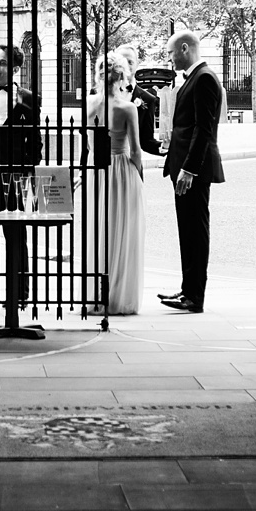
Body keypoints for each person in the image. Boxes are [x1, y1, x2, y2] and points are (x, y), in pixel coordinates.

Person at [160, 27, 224, 314]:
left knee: (195, 231)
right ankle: (188, 290)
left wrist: (189, 169)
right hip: (185, 167)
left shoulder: (205, 79)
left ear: (185, 49)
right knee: (187, 229)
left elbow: (204, 128)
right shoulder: (195, 79)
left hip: (193, 170)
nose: (170, 59)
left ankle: (194, 296)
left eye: (171, 53)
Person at [0, 44, 38, 307]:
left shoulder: (29, 99)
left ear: (15, 69)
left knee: (16, 237)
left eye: (1, 63)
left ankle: (19, 294)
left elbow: (35, 144)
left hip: (14, 180)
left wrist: (23, 167)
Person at [101, 50, 146, 314]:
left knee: (102, 229)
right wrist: (138, 175)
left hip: (100, 170)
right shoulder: (127, 107)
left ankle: (99, 291)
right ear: (121, 76)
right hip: (122, 169)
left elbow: (88, 147)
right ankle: (120, 294)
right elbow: (137, 150)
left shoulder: (90, 105)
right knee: (124, 231)